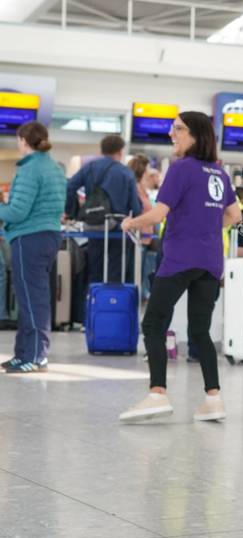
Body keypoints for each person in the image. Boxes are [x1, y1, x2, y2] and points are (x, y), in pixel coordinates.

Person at [118, 111, 242, 423]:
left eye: (179, 129)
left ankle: (157, 393)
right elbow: (234, 216)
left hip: (180, 258)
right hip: (211, 261)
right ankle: (214, 399)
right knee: (200, 330)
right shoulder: (218, 173)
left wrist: (130, 222)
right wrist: (206, 229)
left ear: (197, 135)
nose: (172, 134)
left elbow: (158, 214)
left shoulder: (181, 168)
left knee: (153, 324)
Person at [0, 122, 66, 373]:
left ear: (23, 140)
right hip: (47, 236)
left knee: (31, 298)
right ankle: (23, 354)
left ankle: (37, 356)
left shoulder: (30, 169)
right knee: (31, 297)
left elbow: (17, 211)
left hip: (30, 238)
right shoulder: (54, 167)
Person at [66, 135, 143, 284]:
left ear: (102, 150)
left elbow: (70, 186)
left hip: (94, 227)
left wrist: (73, 212)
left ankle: (94, 303)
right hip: (118, 230)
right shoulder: (126, 173)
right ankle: (111, 304)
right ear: (120, 151)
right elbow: (135, 207)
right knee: (116, 272)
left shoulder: (90, 167)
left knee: (95, 271)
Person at [126, 155, 159, 300]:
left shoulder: (141, 187)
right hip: (138, 239)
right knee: (136, 275)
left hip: (146, 239)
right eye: (146, 168)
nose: (148, 171)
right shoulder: (134, 187)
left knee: (143, 274)